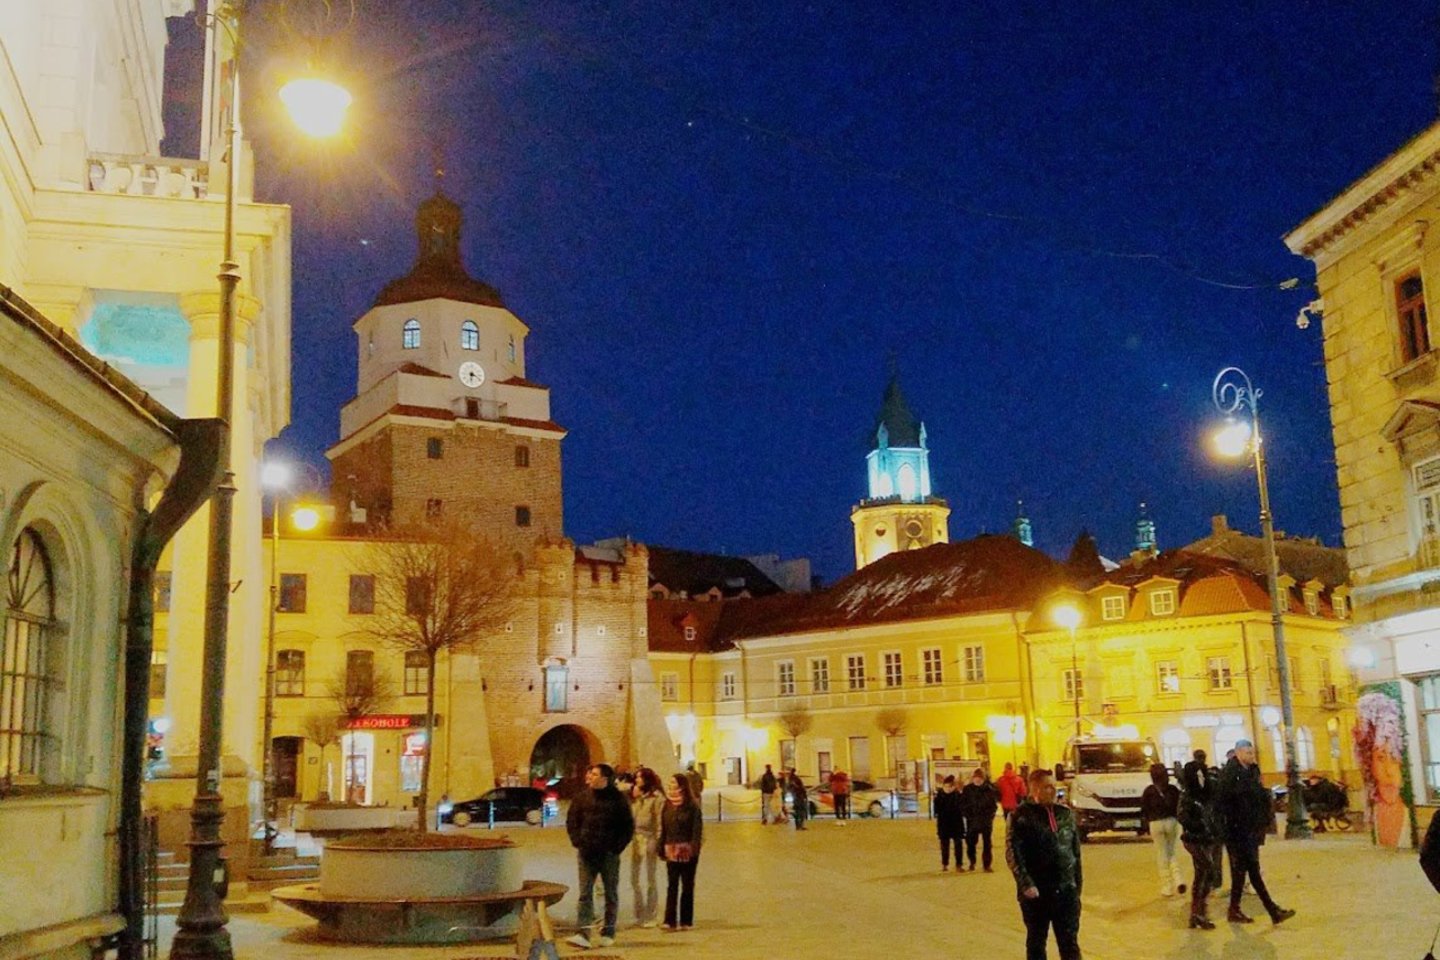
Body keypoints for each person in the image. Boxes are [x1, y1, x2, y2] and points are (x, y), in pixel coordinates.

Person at [1214, 740, 1294, 925]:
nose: (1251, 756)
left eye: (1252, 752)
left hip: (1249, 830)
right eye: (1248, 752)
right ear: (1238, 753)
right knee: (1252, 872)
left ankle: (1235, 910)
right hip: (1237, 832)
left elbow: (1257, 797)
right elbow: (1224, 804)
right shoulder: (1230, 775)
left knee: (1242, 872)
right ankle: (1272, 911)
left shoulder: (1250, 772)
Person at [1006, 768, 1082, 960]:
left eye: (1054, 786)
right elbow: (1013, 853)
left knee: (1069, 942)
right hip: (1037, 892)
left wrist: (1077, 884)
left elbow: (1075, 853)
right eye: (1047, 786)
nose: (1052, 791)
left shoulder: (1065, 815)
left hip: (1065, 891)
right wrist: (1026, 883)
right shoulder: (1020, 816)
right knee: (1037, 941)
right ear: (1034, 789)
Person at [565, 763, 635, 949]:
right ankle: (583, 934)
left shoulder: (618, 800)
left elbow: (627, 827)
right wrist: (577, 841)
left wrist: (616, 848)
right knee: (585, 894)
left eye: (594, 774)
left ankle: (608, 932)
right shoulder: (581, 798)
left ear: (605, 778)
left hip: (609, 854)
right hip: (586, 853)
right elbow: (572, 821)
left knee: (610, 894)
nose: (590, 776)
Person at [1178, 750, 1221, 929]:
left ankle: (1197, 914)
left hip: (1207, 838)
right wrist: (1199, 824)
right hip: (1193, 839)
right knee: (1208, 870)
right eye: (1198, 775)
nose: (1201, 778)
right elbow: (1183, 817)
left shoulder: (1206, 792)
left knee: (1201, 874)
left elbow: (1214, 809)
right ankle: (1199, 912)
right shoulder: (1188, 796)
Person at [659, 772, 704, 931]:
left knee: (687, 886)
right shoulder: (667, 804)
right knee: (671, 885)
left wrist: (694, 848)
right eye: (670, 783)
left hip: (687, 851)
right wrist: (661, 845)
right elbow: (664, 827)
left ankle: (686, 920)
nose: (671, 785)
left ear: (682, 786)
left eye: (674, 783)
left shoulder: (692, 806)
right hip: (671, 848)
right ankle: (669, 920)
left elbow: (696, 829)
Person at [1140, 762, 1184, 897]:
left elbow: (1144, 809)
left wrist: (1145, 824)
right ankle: (1178, 879)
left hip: (1155, 823)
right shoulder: (1173, 790)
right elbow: (1179, 806)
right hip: (1171, 821)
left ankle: (1167, 886)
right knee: (1171, 852)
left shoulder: (1149, 791)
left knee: (1161, 854)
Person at [629, 767, 664, 928]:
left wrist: (658, 841)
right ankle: (639, 913)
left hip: (649, 839)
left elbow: (659, 822)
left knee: (650, 877)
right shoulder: (637, 797)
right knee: (634, 878)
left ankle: (651, 914)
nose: (636, 780)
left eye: (639, 777)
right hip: (636, 840)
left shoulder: (656, 798)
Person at [960, 767, 1001, 871]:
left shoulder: (989, 789)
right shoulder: (967, 789)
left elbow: (993, 805)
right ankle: (972, 861)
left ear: (983, 779)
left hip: (985, 821)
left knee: (987, 843)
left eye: (980, 778)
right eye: (976, 778)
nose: (977, 780)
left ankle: (987, 865)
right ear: (973, 778)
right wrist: (967, 815)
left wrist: (990, 816)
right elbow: (963, 804)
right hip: (972, 821)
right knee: (971, 843)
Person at [934, 775, 965, 872]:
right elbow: (936, 810)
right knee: (944, 845)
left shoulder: (958, 795)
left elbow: (962, 809)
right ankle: (944, 864)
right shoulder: (939, 796)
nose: (948, 788)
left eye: (950, 786)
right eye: (946, 786)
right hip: (944, 824)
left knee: (958, 845)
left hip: (956, 823)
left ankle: (958, 864)